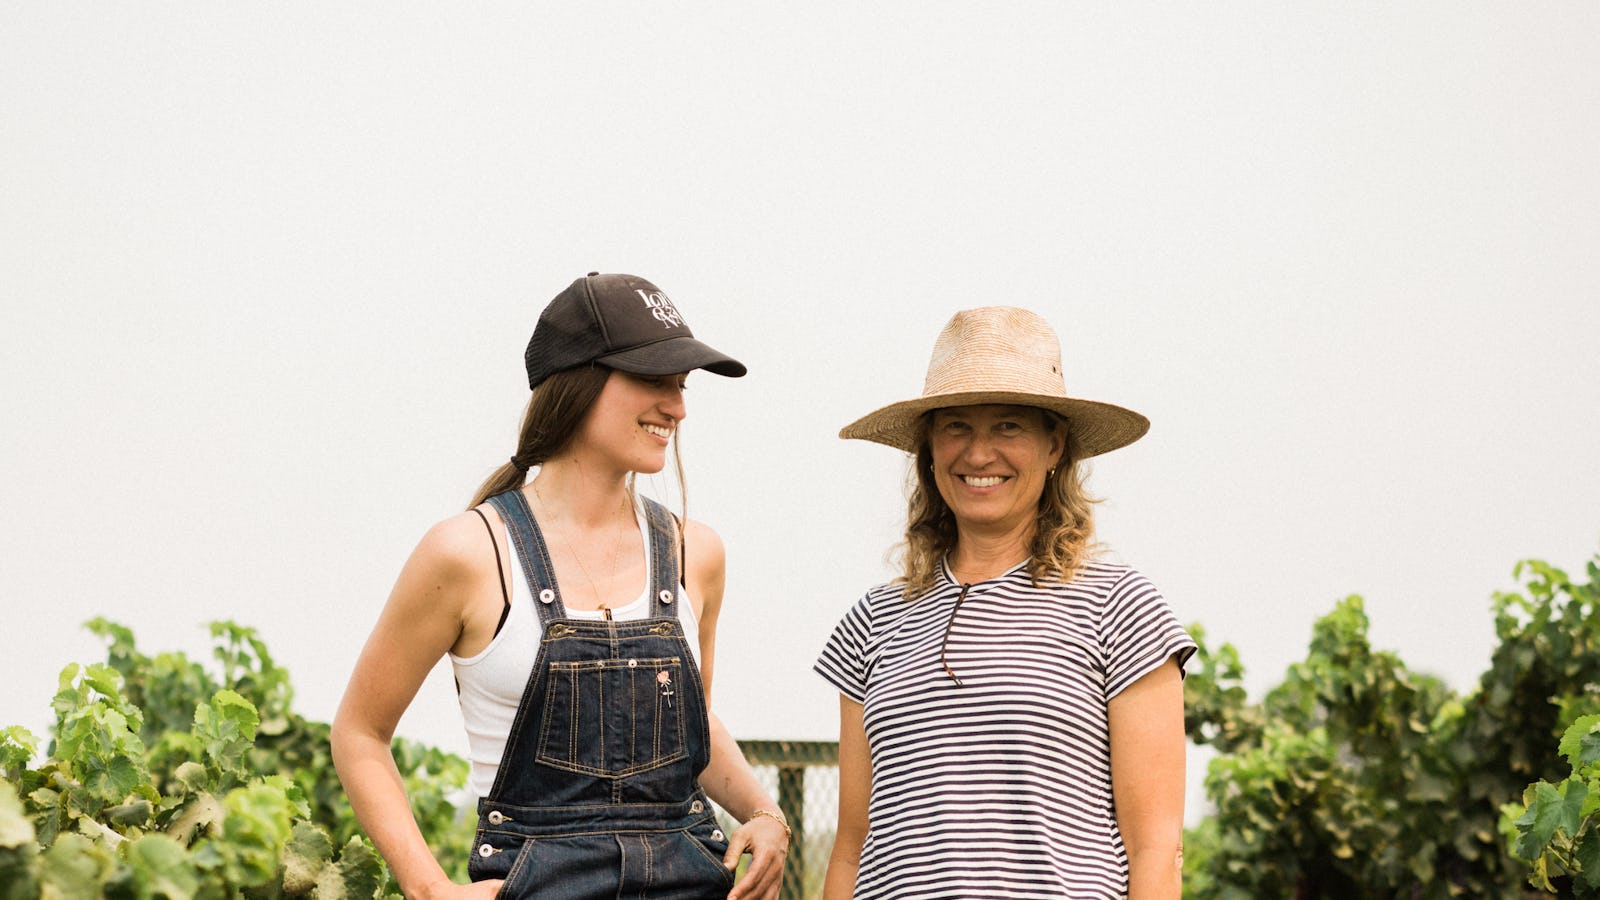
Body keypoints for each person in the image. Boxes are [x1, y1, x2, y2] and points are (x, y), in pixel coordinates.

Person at [332, 273, 790, 900]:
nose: (678, 408)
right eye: (654, 380)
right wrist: (428, 887)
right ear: (579, 381)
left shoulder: (694, 553)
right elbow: (360, 733)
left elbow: (692, 730)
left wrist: (765, 814)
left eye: (680, 386)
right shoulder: (469, 553)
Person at [814, 306, 1196, 900]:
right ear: (930, 448)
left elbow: (1157, 848)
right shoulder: (872, 620)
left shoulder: (1119, 605)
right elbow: (851, 847)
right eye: (957, 426)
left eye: (1009, 426)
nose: (979, 453)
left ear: (1055, 446)